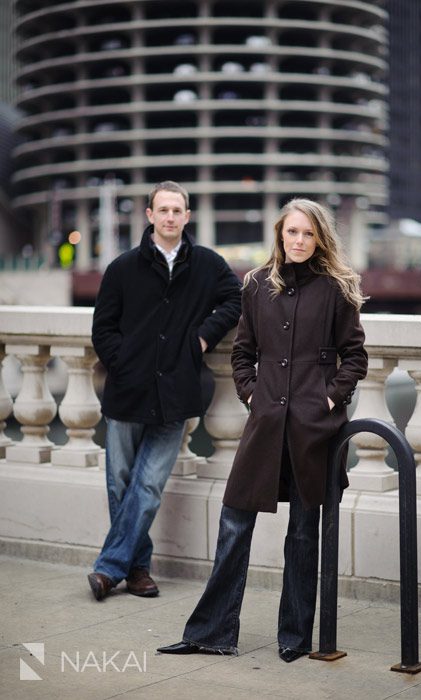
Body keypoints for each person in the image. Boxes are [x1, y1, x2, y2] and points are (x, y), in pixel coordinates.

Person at [157, 198, 368, 661]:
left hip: (314, 429)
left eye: (307, 234)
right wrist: (251, 394)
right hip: (266, 422)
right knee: (234, 521)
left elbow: (355, 356)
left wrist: (329, 398)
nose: (298, 241)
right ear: (280, 235)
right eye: (291, 232)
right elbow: (242, 352)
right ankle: (209, 633)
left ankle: (293, 638)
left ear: (319, 239)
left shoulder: (336, 288)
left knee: (302, 532)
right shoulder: (255, 284)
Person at [88, 181, 241, 601]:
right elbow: (102, 329)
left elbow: (235, 300)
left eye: (178, 210)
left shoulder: (207, 264)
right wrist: (125, 363)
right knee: (121, 483)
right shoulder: (122, 268)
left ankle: (108, 568)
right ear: (150, 215)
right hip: (126, 392)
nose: (171, 217)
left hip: (176, 392)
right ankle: (136, 570)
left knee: (150, 484)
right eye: (163, 210)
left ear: (187, 216)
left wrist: (203, 339)